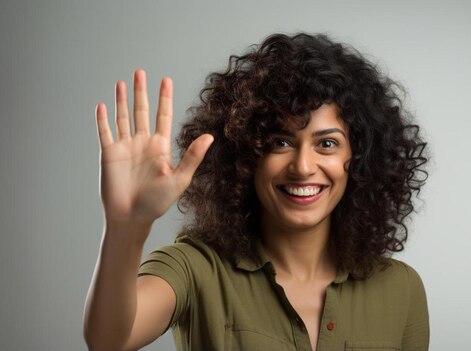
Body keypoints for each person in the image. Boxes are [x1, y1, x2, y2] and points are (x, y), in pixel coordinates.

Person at [83, 33, 429, 351]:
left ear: (360, 158)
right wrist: (127, 226)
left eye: (327, 143)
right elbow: (110, 339)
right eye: (280, 142)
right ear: (246, 156)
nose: (303, 166)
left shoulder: (401, 289)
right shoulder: (197, 266)